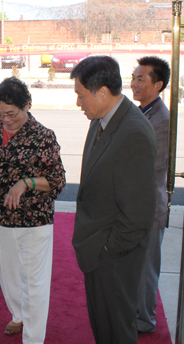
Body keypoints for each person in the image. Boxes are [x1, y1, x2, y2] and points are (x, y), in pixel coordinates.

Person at [0, 77, 66, 342]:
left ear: (27, 106)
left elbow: (57, 181)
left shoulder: (43, 136)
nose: (5, 120)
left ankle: (33, 338)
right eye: (0, 113)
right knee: (8, 276)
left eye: (11, 114)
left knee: (34, 285)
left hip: (33, 221)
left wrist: (27, 182)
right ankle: (18, 315)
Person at [70, 56, 157, 344]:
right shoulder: (102, 119)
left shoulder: (132, 133)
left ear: (103, 92)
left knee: (116, 330)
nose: (79, 104)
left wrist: (107, 249)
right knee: (103, 327)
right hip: (97, 247)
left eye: (82, 96)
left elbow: (139, 215)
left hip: (113, 257)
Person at [131, 56, 170, 335]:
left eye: (140, 79)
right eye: (133, 78)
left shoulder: (161, 119)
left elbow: (149, 165)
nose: (134, 84)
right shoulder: (143, 112)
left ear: (158, 84)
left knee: (146, 269)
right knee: (136, 266)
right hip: (135, 205)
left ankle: (144, 319)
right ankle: (136, 313)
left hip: (149, 207)